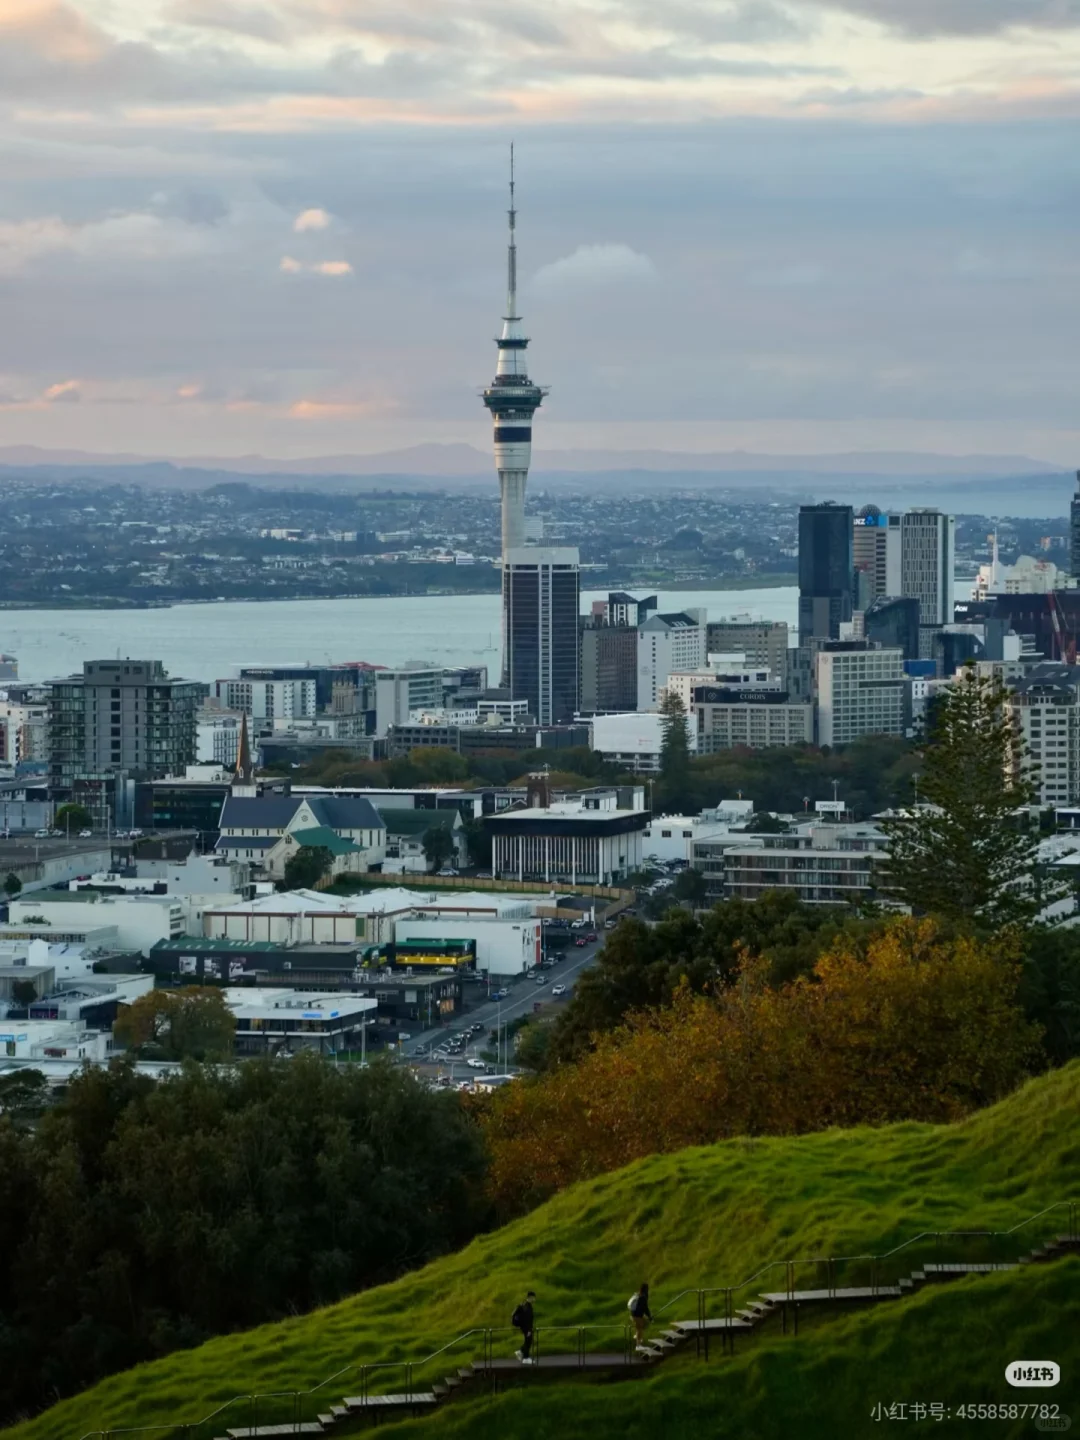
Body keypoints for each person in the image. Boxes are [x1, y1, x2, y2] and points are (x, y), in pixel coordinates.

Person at [512, 1290, 536, 1364]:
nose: (534, 1299)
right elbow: (528, 1319)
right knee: (528, 1341)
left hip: (525, 1327)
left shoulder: (525, 1305)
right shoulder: (527, 1307)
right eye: (533, 1297)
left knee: (528, 1341)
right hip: (526, 1328)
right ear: (530, 1297)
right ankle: (525, 1357)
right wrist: (529, 1330)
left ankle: (521, 1353)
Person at [628, 1283, 651, 1350]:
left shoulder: (638, 1295)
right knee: (639, 1329)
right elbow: (645, 1308)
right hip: (637, 1316)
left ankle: (637, 1337)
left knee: (644, 1324)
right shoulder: (643, 1297)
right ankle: (638, 1346)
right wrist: (650, 1316)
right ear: (646, 1289)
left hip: (633, 1315)